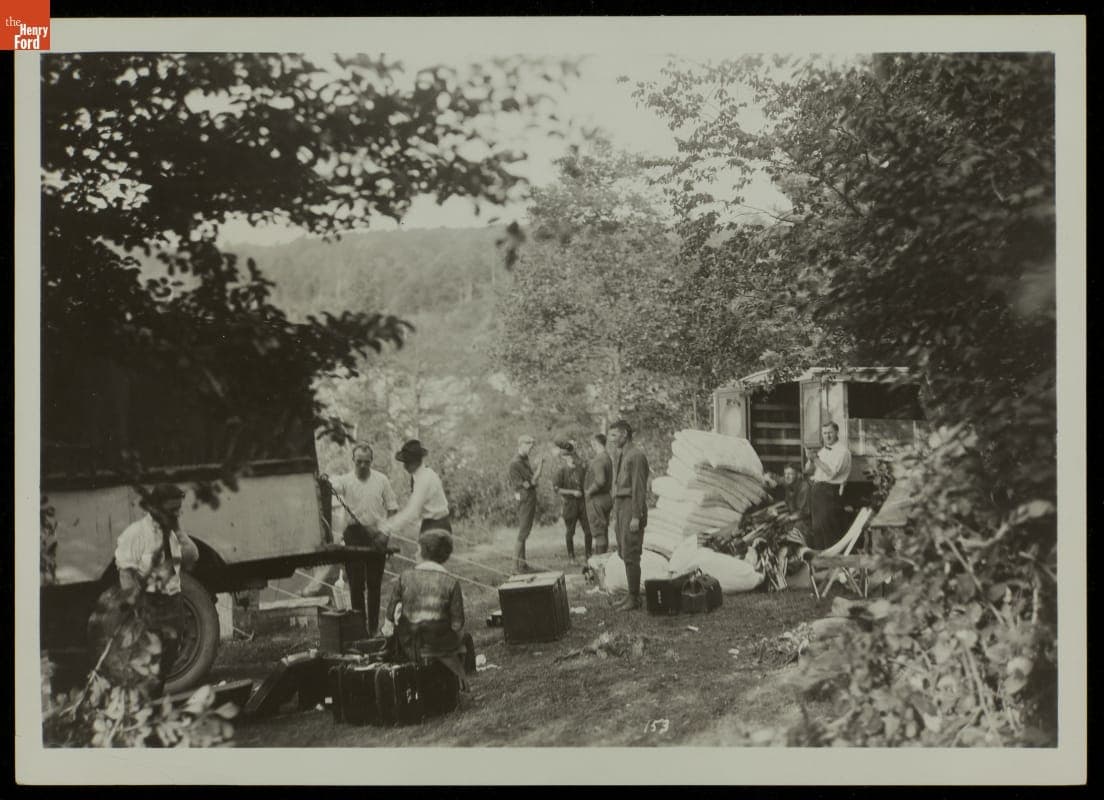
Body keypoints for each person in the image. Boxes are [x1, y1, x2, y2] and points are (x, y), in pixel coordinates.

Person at [112, 483, 200, 686]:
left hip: (173, 602)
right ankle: (143, 705)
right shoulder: (136, 534)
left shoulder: (172, 533)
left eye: (179, 509)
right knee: (147, 659)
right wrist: (135, 609)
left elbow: (192, 556)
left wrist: (178, 530)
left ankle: (155, 699)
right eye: (171, 510)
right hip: (150, 604)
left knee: (168, 658)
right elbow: (126, 573)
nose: (176, 514)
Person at [324, 444, 399, 636]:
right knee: (356, 585)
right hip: (353, 534)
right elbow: (328, 484)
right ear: (353, 460)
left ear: (371, 462)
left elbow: (392, 508)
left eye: (367, 462)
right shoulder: (345, 481)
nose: (363, 466)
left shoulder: (381, 480)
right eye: (359, 462)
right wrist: (324, 480)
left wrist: (385, 534)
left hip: (377, 535)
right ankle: (360, 631)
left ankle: (373, 630)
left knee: (374, 585)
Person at [383, 530, 468, 687]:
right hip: (441, 646)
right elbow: (458, 624)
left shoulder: (405, 577)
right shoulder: (452, 582)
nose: (414, 555)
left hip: (410, 648)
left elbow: (388, 620)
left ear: (423, 552)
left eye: (417, 550)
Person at [608, 419, 650, 611]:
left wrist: (636, 516)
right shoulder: (624, 454)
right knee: (624, 551)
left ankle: (634, 598)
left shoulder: (636, 456)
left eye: (614, 435)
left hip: (631, 508)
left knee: (632, 552)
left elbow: (638, 489)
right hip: (621, 507)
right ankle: (631, 595)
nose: (611, 439)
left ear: (625, 434)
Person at [380, 439, 453, 536]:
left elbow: (412, 512)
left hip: (436, 528)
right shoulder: (421, 475)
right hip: (432, 524)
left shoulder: (424, 479)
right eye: (404, 462)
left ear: (417, 461)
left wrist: (386, 527)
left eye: (408, 462)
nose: (405, 466)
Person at [805, 421, 853, 550]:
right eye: (825, 433)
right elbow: (809, 471)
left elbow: (831, 473)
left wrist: (815, 459)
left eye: (830, 433)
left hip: (830, 492)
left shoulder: (842, 452)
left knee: (828, 529)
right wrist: (810, 460)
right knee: (817, 529)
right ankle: (822, 563)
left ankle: (833, 564)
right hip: (818, 491)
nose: (827, 436)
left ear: (837, 432)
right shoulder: (823, 451)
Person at [507, 434, 544, 573]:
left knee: (525, 532)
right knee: (523, 532)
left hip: (529, 498)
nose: (530, 448)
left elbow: (531, 481)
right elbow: (531, 483)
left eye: (532, 446)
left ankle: (522, 565)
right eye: (528, 445)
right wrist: (540, 466)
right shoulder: (516, 463)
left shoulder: (524, 459)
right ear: (521, 444)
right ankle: (514, 567)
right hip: (525, 499)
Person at [552, 442, 591, 562]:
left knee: (588, 530)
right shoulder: (561, 471)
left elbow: (588, 483)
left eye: (573, 455)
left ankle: (588, 555)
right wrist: (572, 492)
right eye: (568, 456)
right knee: (570, 531)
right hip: (570, 504)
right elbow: (557, 489)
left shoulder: (582, 468)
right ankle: (571, 556)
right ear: (564, 457)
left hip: (583, 504)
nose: (571, 458)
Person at [583, 433, 613, 556]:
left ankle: (599, 563)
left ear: (595, 444)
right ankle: (603, 562)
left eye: (592, 444)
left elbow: (600, 480)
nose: (592, 446)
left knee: (599, 533)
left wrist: (589, 491)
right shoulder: (607, 457)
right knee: (603, 531)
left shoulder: (599, 459)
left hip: (597, 500)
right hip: (606, 497)